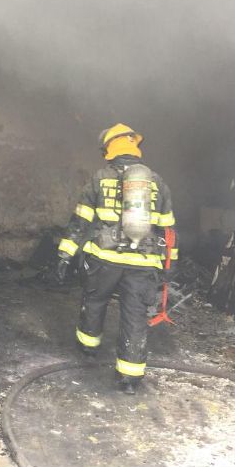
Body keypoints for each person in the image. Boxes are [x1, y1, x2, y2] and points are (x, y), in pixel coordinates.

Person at [55, 123, 177, 394]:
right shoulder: (156, 183)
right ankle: (130, 377)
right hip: (144, 265)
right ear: (134, 147)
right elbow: (168, 229)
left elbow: (81, 221)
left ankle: (88, 348)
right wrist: (171, 265)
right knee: (135, 316)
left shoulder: (99, 179)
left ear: (109, 149)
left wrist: (65, 253)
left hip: (104, 260)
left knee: (95, 301)